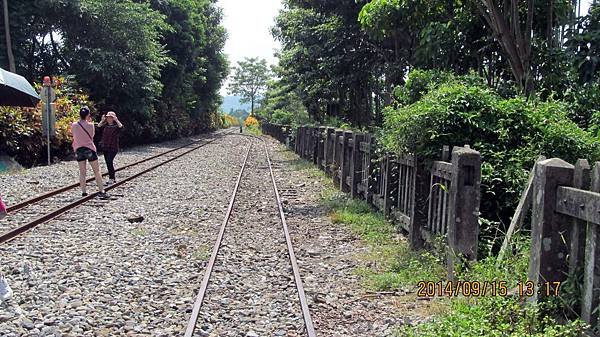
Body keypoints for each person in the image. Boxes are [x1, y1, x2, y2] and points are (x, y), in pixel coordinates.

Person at [71, 106, 109, 199]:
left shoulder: (74, 125)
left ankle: (84, 192)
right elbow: (92, 136)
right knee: (96, 171)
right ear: (88, 115)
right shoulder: (91, 125)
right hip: (89, 149)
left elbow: (74, 135)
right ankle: (101, 190)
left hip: (78, 150)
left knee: (82, 172)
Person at [98, 111, 123, 185]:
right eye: (108, 117)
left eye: (110, 117)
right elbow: (98, 127)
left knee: (109, 161)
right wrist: (102, 120)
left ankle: (111, 178)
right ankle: (112, 177)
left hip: (113, 147)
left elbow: (121, 127)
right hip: (105, 147)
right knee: (108, 162)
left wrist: (116, 120)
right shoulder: (105, 126)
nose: (109, 119)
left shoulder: (116, 127)